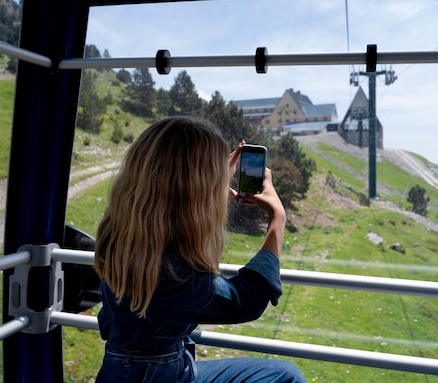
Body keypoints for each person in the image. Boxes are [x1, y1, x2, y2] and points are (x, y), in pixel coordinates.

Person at [93, 115, 306, 382]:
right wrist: (277, 218)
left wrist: (213, 181)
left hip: (133, 369)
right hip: (157, 375)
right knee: (286, 377)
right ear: (195, 195)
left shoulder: (123, 240)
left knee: (284, 375)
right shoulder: (173, 277)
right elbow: (248, 299)